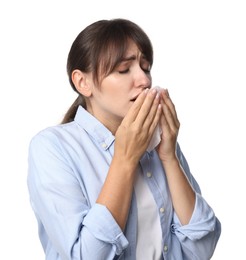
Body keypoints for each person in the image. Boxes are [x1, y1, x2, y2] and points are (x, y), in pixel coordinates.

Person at [27, 18, 221, 260]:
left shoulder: (160, 144)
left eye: (146, 67)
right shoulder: (52, 147)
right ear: (82, 82)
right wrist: (125, 158)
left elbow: (201, 249)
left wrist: (169, 157)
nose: (144, 81)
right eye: (123, 69)